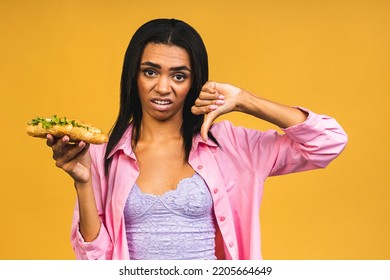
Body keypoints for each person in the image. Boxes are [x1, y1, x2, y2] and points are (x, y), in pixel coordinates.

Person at [47, 18, 348, 260]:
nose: (163, 87)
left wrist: (246, 100)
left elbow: (329, 141)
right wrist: (83, 183)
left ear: (194, 81)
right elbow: (93, 262)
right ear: (133, 77)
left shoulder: (230, 145)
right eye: (150, 72)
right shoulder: (104, 154)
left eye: (179, 76)